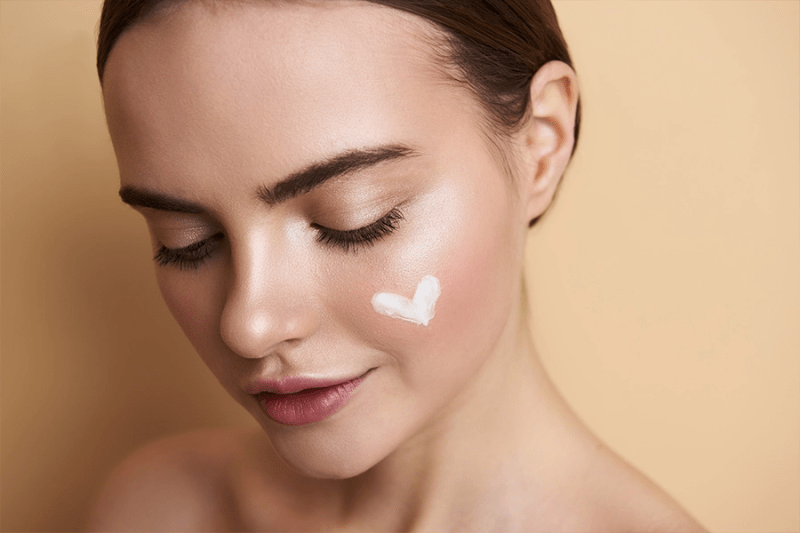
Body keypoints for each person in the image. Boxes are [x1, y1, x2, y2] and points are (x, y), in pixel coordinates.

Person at [88, 0, 707, 530]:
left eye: (354, 220)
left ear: (540, 144)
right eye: (187, 242)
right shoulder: (155, 509)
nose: (248, 326)